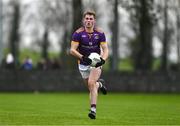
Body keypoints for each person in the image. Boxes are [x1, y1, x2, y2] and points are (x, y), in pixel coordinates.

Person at [70, 10, 109, 119]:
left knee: (91, 83)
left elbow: (106, 49)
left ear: (94, 21)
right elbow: (72, 50)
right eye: (87, 18)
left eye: (91, 19)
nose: (89, 21)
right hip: (82, 64)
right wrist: (82, 58)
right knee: (91, 86)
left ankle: (93, 110)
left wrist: (103, 60)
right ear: (84, 20)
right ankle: (99, 85)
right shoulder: (78, 34)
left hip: (96, 63)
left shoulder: (100, 33)